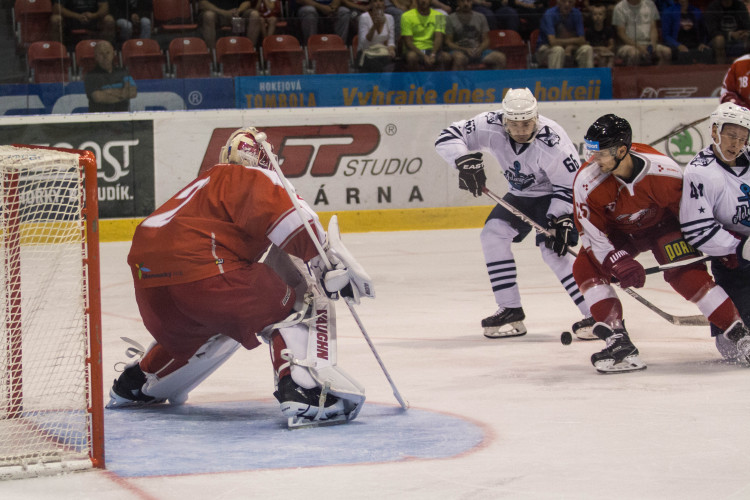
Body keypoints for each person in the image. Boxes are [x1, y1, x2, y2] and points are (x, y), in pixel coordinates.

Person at [106, 127, 371, 427]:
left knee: (201, 328)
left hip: (151, 286)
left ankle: (135, 383)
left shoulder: (204, 181)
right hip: (206, 275)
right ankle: (304, 391)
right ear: (265, 159)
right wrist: (331, 266)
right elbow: (300, 225)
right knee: (301, 298)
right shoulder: (255, 177)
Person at [572, 114, 750, 373]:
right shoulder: (586, 182)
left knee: (686, 272)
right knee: (585, 268)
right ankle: (618, 339)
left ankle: (741, 336)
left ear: (621, 151)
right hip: (619, 235)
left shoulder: (664, 170)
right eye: (591, 152)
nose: (594, 160)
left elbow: (689, 215)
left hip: (663, 228)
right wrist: (617, 261)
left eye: (601, 153)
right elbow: (592, 235)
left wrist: (716, 247)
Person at [435, 88, 594, 340]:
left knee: (554, 251)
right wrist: (463, 161)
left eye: (527, 123)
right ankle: (510, 309)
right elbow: (448, 136)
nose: (520, 129)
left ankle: (596, 311)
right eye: (514, 124)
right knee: (493, 234)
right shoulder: (489, 124)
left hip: (557, 195)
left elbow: (571, 184)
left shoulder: (554, 143)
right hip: (521, 195)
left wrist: (561, 219)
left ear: (536, 117)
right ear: (504, 119)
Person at [679, 103, 750, 363]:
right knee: (734, 349)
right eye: (731, 135)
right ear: (714, 131)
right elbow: (696, 229)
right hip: (734, 262)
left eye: (743, 138)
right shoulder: (701, 172)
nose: (736, 144)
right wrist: (738, 247)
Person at [445, 0, 507, 70]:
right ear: (458, 2)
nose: (465, 3)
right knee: (459, 58)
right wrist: (464, 49)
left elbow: (486, 40)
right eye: (462, 1)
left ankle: (494, 78)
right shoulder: (450, 18)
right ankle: (456, 77)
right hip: (459, 50)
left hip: (478, 50)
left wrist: (480, 49)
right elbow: (448, 42)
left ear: (472, 2)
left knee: (500, 58)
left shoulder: (481, 17)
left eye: (468, 1)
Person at [535, 0, 593, 68]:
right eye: (564, 1)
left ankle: (587, 75)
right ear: (558, 2)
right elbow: (552, 42)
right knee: (558, 50)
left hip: (570, 47)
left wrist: (571, 47)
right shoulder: (549, 14)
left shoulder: (577, 13)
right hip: (546, 48)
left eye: (570, 2)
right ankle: (556, 75)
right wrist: (573, 41)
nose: (567, 4)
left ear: (574, 3)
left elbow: (582, 40)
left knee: (587, 49)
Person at [611, 0, 671, 65]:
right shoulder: (620, 7)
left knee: (666, 52)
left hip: (648, 43)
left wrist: (653, 44)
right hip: (628, 45)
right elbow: (621, 33)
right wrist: (639, 47)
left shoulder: (650, 4)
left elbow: (653, 28)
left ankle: (659, 72)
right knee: (634, 53)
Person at [84, 40, 136, 113]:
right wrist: (123, 94)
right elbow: (98, 97)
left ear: (113, 54)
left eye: (108, 53)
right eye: (101, 53)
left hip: (122, 117)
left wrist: (109, 92)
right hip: (100, 118)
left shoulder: (123, 72)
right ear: (96, 56)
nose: (105, 56)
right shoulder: (91, 76)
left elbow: (132, 92)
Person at [401, 0, 453, 71]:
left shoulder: (440, 16)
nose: (423, 1)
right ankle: (416, 78)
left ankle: (439, 77)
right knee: (412, 57)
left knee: (446, 57)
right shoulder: (406, 16)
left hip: (432, 49)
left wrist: (433, 54)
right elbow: (408, 42)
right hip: (415, 50)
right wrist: (423, 56)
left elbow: (439, 38)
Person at [661, 0, 713, 64]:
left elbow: (703, 32)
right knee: (684, 55)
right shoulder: (668, 12)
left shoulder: (696, 11)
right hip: (677, 46)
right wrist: (678, 45)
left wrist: (702, 43)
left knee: (707, 52)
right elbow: (666, 36)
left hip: (695, 45)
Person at [51, 0, 115, 45]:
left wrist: (94, 15)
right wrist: (77, 16)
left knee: (109, 19)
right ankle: (58, 49)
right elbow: (56, 8)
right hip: (71, 20)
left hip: (93, 20)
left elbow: (105, 8)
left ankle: (107, 48)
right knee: (56, 19)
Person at [704, 0, 750, 64]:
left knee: (747, 37)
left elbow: (747, 25)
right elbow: (712, 31)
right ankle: (721, 67)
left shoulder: (740, 6)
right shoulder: (713, 7)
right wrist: (730, 35)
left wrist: (745, 33)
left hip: (739, 38)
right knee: (719, 40)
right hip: (720, 39)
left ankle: (745, 67)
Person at [357, 0, 397, 72]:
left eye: (381, 1)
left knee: (393, 62)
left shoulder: (390, 18)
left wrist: (391, 49)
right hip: (366, 52)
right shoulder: (364, 17)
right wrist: (374, 26)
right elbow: (364, 44)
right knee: (377, 63)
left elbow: (391, 42)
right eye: (375, 1)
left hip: (383, 52)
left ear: (384, 3)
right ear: (371, 4)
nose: (378, 4)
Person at [585, 3, 615, 67]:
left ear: (604, 16)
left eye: (600, 14)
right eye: (595, 14)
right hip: (594, 52)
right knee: (601, 58)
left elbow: (612, 45)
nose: (598, 17)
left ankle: (609, 73)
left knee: (610, 57)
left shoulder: (609, 30)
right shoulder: (589, 31)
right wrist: (599, 49)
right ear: (592, 17)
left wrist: (605, 49)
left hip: (605, 52)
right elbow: (587, 47)